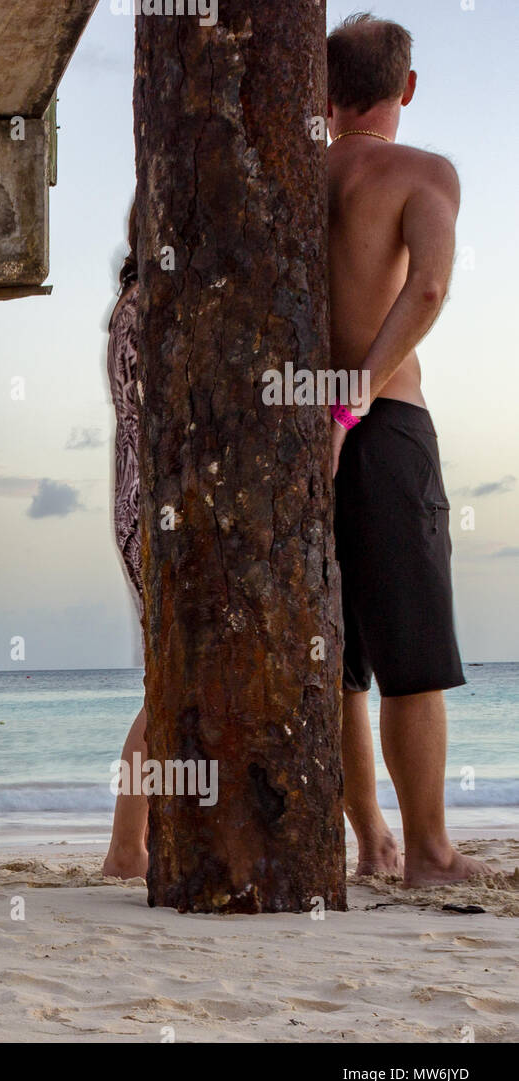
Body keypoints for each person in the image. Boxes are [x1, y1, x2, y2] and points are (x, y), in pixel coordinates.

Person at [326, 13, 491, 886]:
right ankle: (427, 851)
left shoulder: (288, 181)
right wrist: (355, 398)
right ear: (408, 88)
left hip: (290, 436)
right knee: (413, 653)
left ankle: (372, 844)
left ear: (320, 90)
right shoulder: (424, 173)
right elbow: (427, 284)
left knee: (343, 656)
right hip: (379, 422)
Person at [102, 202, 150, 880]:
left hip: (139, 505)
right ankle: (124, 850)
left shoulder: (129, 306)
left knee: (165, 682)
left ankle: (131, 847)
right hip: (159, 509)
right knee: (168, 687)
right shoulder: (151, 307)